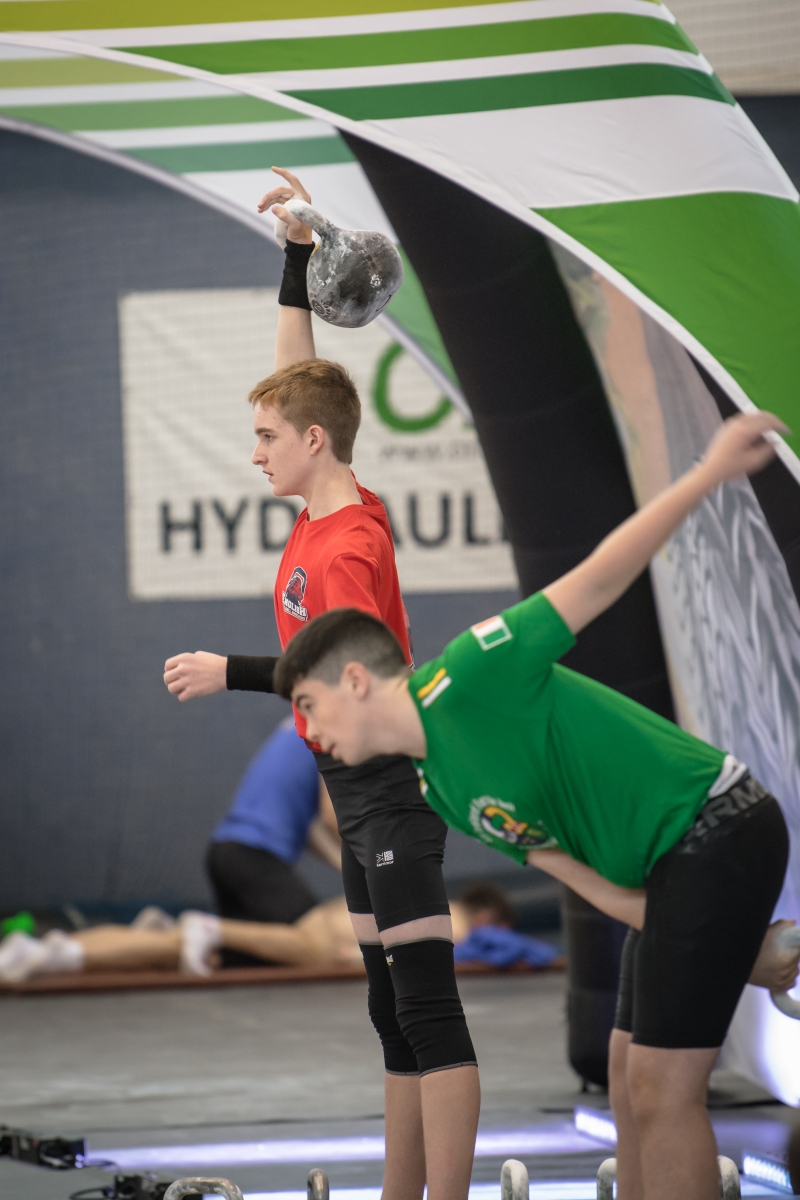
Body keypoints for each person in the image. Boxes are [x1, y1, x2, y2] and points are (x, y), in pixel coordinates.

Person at [270, 409, 795, 1200]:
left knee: (661, 1086)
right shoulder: (441, 788)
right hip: (663, 872)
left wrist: (709, 472)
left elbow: (603, 577)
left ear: (354, 681)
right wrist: (734, 948)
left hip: (716, 824)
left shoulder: (474, 671)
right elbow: (591, 884)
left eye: (309, 705)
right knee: (626, 1073)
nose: (308, 730)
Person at [162, 168, 478, 1200]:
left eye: (265, 440)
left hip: (389, 788)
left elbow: (349, 681)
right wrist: (298, 258)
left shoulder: (344, 549)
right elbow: (295, 384)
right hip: (353, 789)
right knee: (391, 1013)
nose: (253, 454)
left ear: (311, 445)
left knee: (426, 1010)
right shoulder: (329, 505)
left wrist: (230, 672)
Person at [208, 717, 341, 936]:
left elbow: (312, 829)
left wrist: (347, 866)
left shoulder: (301, 727)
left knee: (242, 952)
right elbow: (331, 817)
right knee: (320, 941)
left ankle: (175, 932)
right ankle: (200, 930)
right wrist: (372, 861)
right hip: (252, 855)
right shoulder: (329, 728)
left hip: (225, 852)